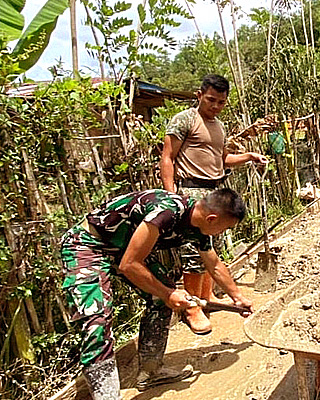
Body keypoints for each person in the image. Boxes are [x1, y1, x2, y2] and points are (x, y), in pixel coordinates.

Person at [60, 188, 253, 399]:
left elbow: (214, 264)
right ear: (212, 219)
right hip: (88, 244)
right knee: (96, 322)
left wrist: (238, 297)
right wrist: (169, 292)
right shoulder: (167, 211)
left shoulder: (200, 226)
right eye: (226, 228)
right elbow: (130, 265)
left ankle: (150, 372)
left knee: (159, 300)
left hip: (124, 248)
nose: (224, 233)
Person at [160, 74, 267, 335]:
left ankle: (207, 298)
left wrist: (249, 157)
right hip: (190, 192)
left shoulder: (219, 126)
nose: (215, 106)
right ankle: (192, 308)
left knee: (212, 250)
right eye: (211, 100)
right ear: (199, 95)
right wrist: (171, 195)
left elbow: (223, 160)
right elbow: (167, 157)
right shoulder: (185, 120)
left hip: (213, 190)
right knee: (193, 255)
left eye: (221, 102)